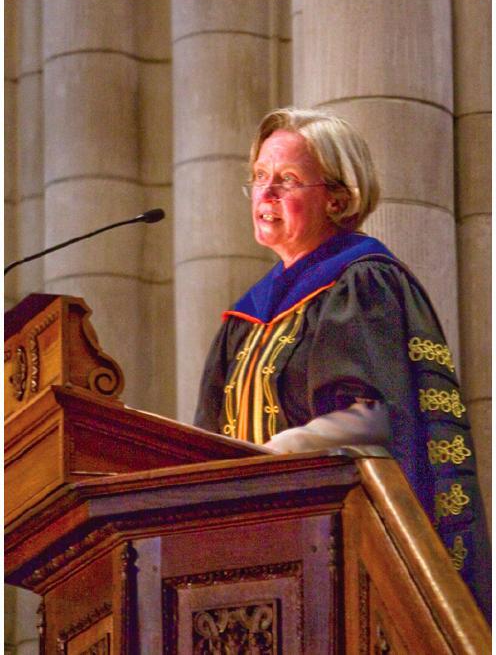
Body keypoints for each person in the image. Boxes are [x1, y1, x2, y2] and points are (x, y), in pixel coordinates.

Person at [194, 107, 490, 620]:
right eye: (260, 177)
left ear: (338, 197)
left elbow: (374, 419)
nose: (266, 194)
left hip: (335, 549)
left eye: (287, 180)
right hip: (250, 555)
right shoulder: (245, 318)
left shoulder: (361, 282)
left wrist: (270, 455)